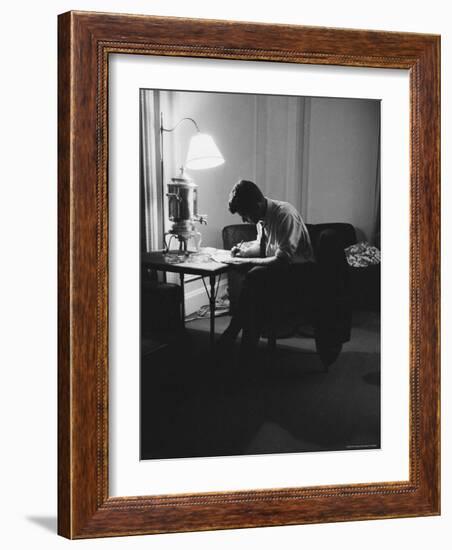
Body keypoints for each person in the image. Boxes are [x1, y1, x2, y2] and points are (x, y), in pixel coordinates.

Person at [218, 179, 314, 366]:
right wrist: (243, 251)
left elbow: (282, 259)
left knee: (254, 276)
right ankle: (245, 348)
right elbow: (265, 246)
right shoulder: (262, 217)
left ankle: (234, 334)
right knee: (253, 290)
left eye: (245, 214)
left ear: (257, 204)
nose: (244, 220)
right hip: (281, 271)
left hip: (301, 274)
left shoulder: (284, 215)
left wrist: (244, 262)